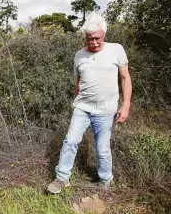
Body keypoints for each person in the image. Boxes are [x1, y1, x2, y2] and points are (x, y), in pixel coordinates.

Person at [47, 13, 132, 194]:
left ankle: (105, 181)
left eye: (97, 38)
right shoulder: (79, 55)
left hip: (106, 109)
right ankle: (62, 178)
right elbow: (79, 80)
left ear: (104, 35)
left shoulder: (116, 49)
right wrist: (77, 98)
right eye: (89, 39)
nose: (93, 42)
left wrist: (126, 106)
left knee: (102, 149)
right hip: (82, 107)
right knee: (70, 141)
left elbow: (125, 78)